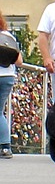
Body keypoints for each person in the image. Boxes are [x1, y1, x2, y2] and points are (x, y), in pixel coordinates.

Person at [0, 10, 23, 157]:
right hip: (7, 76)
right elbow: (19, 61)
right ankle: (5, 145)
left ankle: (5, 145)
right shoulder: (8, 37)